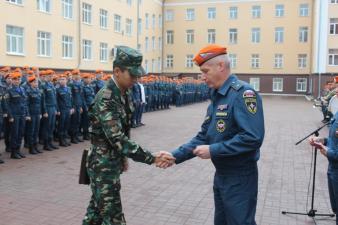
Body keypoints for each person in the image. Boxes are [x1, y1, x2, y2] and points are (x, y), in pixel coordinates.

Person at [159, 44, 265, 225]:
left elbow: (252, 137)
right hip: (222, 175)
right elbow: (204, 136)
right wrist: (175, 155)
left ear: (221, 66)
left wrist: (213, 150)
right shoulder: (217, 96)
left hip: (240, 178)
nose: (202, 77)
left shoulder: (243, 94)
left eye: (205, 71)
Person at [82, 46, 175, 225]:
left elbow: (124, 129)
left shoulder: (124, 92)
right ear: (117, 71)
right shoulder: (106, 98)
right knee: (113, 216)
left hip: (111, 162)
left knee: (95, 213)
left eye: (137, 75)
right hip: (103, 166)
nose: (136, 79)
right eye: (132, 75)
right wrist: (151, 157)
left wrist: (123, 157)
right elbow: (117, 137)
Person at [309, 112, 338, 225]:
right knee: (335, 208)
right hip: (332, 169)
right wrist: (322, 141)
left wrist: (326, 151)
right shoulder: (336, 114)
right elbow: (334, 141)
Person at [5, 72, 30, 159]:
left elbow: (25, 103)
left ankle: (18, 150)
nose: (17, 81)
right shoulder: (9, 90)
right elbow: (7, 105)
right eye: (15, 79)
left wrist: (26, 114)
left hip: (22, 114)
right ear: (12, 80)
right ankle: (13, 152)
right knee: (14, 134)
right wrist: (10, 116)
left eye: (18, 79)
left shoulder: (22, 89)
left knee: (21, 133)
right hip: (14, 115)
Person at [25, 75, 45, 154]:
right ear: (30, 83)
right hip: (31, 114)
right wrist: (28, 115)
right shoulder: (28, 91)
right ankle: (31, 148)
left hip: (37, 113)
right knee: (31, 131)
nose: (36, 83)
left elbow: (39, 103)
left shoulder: (38, 91)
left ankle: (35, 146)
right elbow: (26, 104)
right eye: (34, 82)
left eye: (36, 82)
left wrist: (40, 113)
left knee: (36, 131)